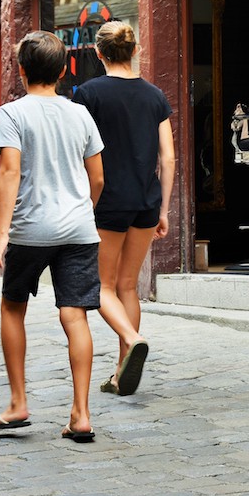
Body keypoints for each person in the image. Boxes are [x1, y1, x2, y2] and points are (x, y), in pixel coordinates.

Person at [0, 31, 106, 443]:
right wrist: (83, 212)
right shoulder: (80, 114)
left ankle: (18, 403)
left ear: (21, 70)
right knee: (76, 315)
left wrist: (1, 235)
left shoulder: (11, 114)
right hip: (78, 229)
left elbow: (9, 172)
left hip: (30, 231)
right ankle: (82, 414)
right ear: (63, 70)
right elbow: (98, 178)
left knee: (13, 307)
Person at [71, 20, 173, 396]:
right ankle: (119, 372)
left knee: (101, 286)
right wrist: (162, 208)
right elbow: (170, 156)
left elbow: (78, 150)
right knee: (128, 286)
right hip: (145, 203)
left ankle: (131, 340)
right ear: (135, 51)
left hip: (106, 202)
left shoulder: (88, 94)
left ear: (98, 53)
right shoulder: (155, 96)